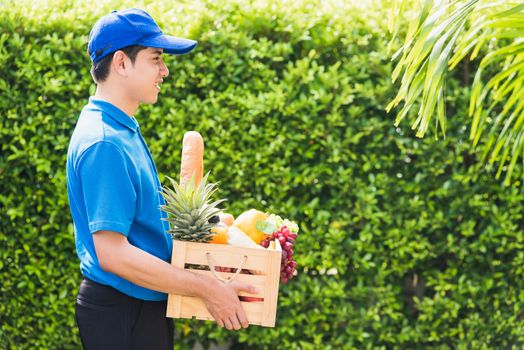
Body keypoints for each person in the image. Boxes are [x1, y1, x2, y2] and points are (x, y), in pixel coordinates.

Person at [66, 8, 258, 350]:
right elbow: (114, 254)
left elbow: (141, 234)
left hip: (137, 306)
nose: (165, 71)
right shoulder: (105, 142)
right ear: (122, 63)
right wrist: (207, 288)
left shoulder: (120, 129)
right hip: (122, 310)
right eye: (156, 59)